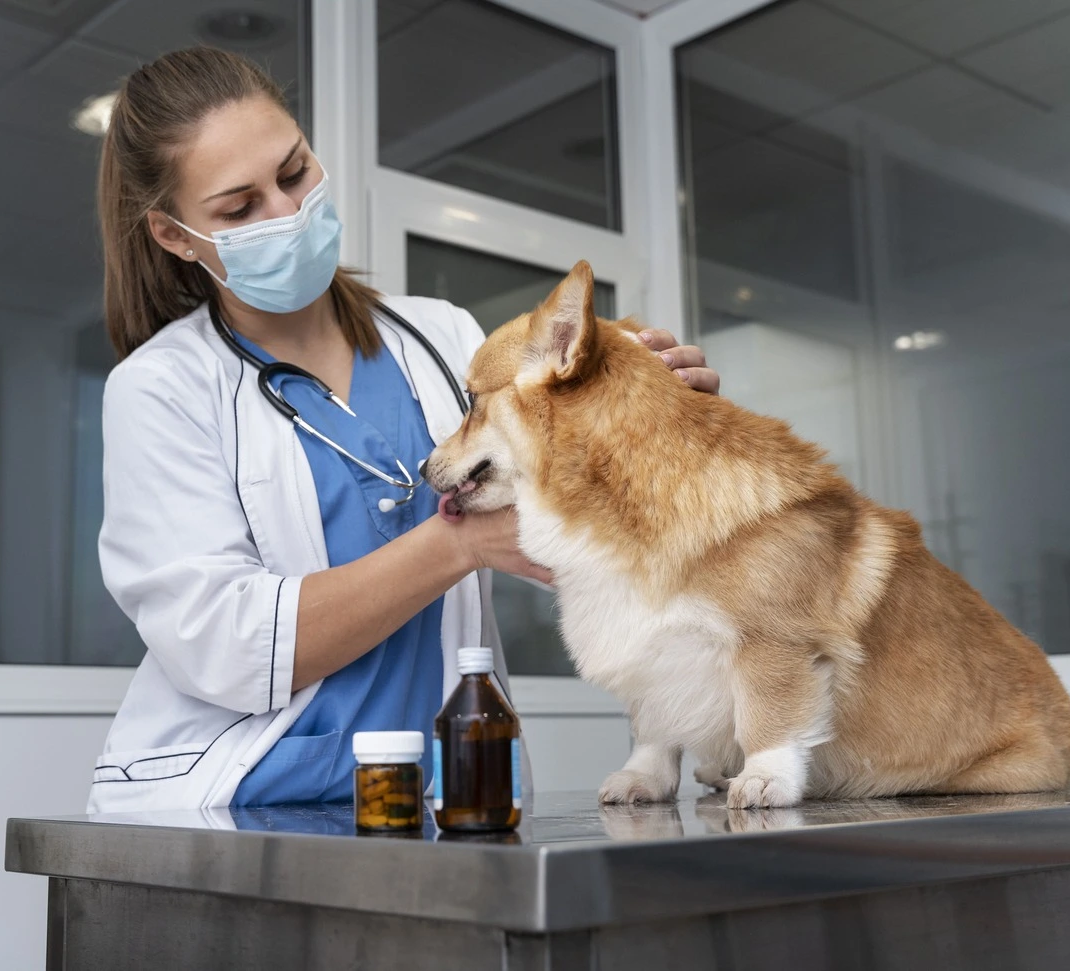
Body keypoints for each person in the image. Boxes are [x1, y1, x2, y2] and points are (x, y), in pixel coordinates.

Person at [87, 46, 720, 813]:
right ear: (176, 235)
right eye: (238, 207)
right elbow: (220, 644)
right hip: (251, 800)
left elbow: (584, 513)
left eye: (293, 173)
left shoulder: (444, 337)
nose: (287, 213)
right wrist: (458, 543)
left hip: (452, 791)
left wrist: (654, 421)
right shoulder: (162, 389)